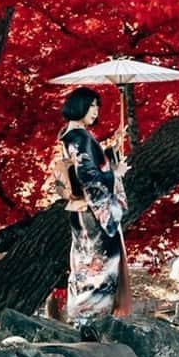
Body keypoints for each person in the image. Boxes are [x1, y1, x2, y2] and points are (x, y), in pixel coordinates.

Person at [58, 87, 132, 321]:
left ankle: (85, 316)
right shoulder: (79, 137)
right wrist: (115, 174)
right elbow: (88, 176)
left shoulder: (71, 134)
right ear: (79, 106)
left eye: (97, 106)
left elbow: (91, 165)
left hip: (82, 210)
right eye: (92, 105)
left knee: (85, 261)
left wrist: (111, 151)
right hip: (93, 211)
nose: (96, 111)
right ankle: (91, 318)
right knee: (98, 262)